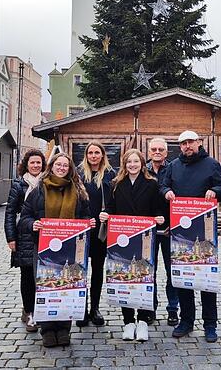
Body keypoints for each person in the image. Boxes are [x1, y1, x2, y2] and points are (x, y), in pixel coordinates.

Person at [19, 153, 95, 348]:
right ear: (51, 166)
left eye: (65, 166)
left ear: (70, 169)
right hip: (44, 248)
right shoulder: (38, 190)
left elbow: (85, 215)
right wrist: (32, 224)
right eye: (58, 165)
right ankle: (47, 329)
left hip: (69, 249)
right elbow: (25, 216)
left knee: (67, 287)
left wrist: (89, 223)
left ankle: (63, 329)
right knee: (45, 287)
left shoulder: (78, 190)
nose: (61, 168)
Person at [160, 130, 221, 342]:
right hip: (180, 231)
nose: (187, 146)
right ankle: (186, 321)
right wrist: (166, 192)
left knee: (206, 280)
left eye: (190, 142)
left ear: (199, 142)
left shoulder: (211, 164)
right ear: (179, 146)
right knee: (183, 278)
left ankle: (210, 325)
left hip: (204, 231)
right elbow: (162, 185)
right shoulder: (173, 166)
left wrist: (215, 190)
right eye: (183, 143)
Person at [100, 148, 167, 342]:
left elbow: (158, 209)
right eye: (129, 162)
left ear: (142, 164)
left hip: (145, 238)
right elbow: (111, 209)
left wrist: (160, 217)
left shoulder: (152, 184)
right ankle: (129, 321)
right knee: (124, 278)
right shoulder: (115, 184)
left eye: (136, 162)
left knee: (146, 278)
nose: (132, 165)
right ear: (124, 164)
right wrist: (106, 215)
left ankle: (143, 321)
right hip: (122, 240)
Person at [3, 149, 47, 333]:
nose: (36, 165)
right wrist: (11, 237)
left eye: (39, 163)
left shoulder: (46, 183)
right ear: (26, 165)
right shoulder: (18, 184)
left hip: (43, 235)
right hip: (24, 235)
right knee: (27, 276)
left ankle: (39, 310)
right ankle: (29, 311)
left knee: (42, 276)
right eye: (33, 163)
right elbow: (10, 212)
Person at [77, 141, 115, 327]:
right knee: (81, 270)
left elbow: (115, 201)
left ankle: (95, 308)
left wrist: (108, 212)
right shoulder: (77, 173)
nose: (93, 156)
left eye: (97, 152)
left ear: (102, 154)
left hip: (101, 229)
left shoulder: (110, 174)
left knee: (97, 270)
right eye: (90, 152)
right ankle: (81, 308)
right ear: (86, 155)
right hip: (82, 229)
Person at [146, 137, 180, 326]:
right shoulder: (142, 169)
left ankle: (173, 309)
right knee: (150, 270)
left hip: (169, 228)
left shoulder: (174, 169)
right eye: (154, 149)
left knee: (171, 271)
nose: (157, 152)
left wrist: (174, 223)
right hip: (148, 229)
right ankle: (150, 308)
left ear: (166, 152)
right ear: (149, 151)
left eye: (161, 149)